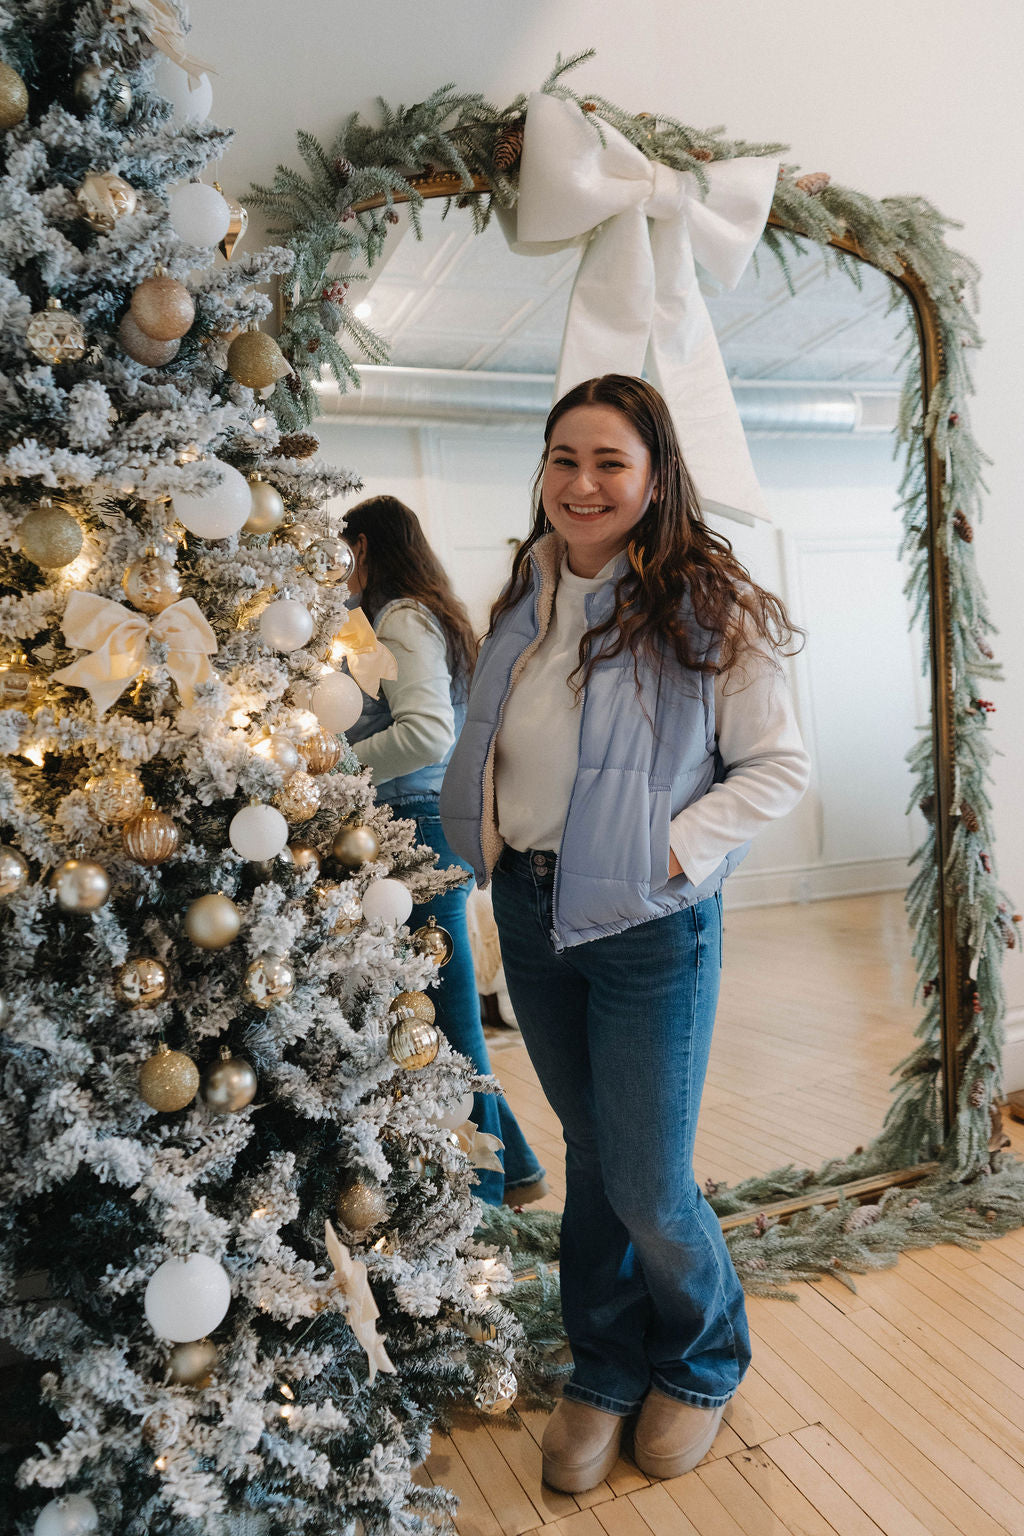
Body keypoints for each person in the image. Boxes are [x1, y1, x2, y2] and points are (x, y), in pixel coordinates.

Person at [439, 376, 812, 1491]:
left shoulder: (708, 606)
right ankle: (603, 1363)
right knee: (592, 1155)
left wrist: (664, 849)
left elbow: (777, 769)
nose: (582, 483)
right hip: (535, 910)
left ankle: (700, 1358)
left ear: (654, 479)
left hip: (651, 924)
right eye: (564, 458)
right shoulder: (525, 594)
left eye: (609, 461)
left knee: (650, 1178)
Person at [340, 494, 547, 1208]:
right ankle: (515, 1170)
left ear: (363, 548)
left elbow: (425, 733)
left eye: (342, 554)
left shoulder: (399, 618)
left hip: (418, 828)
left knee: (450, 1029)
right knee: (446, 1019)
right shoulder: (419, 614)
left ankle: (486, 1207)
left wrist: (332, 763)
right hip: (424, 827)